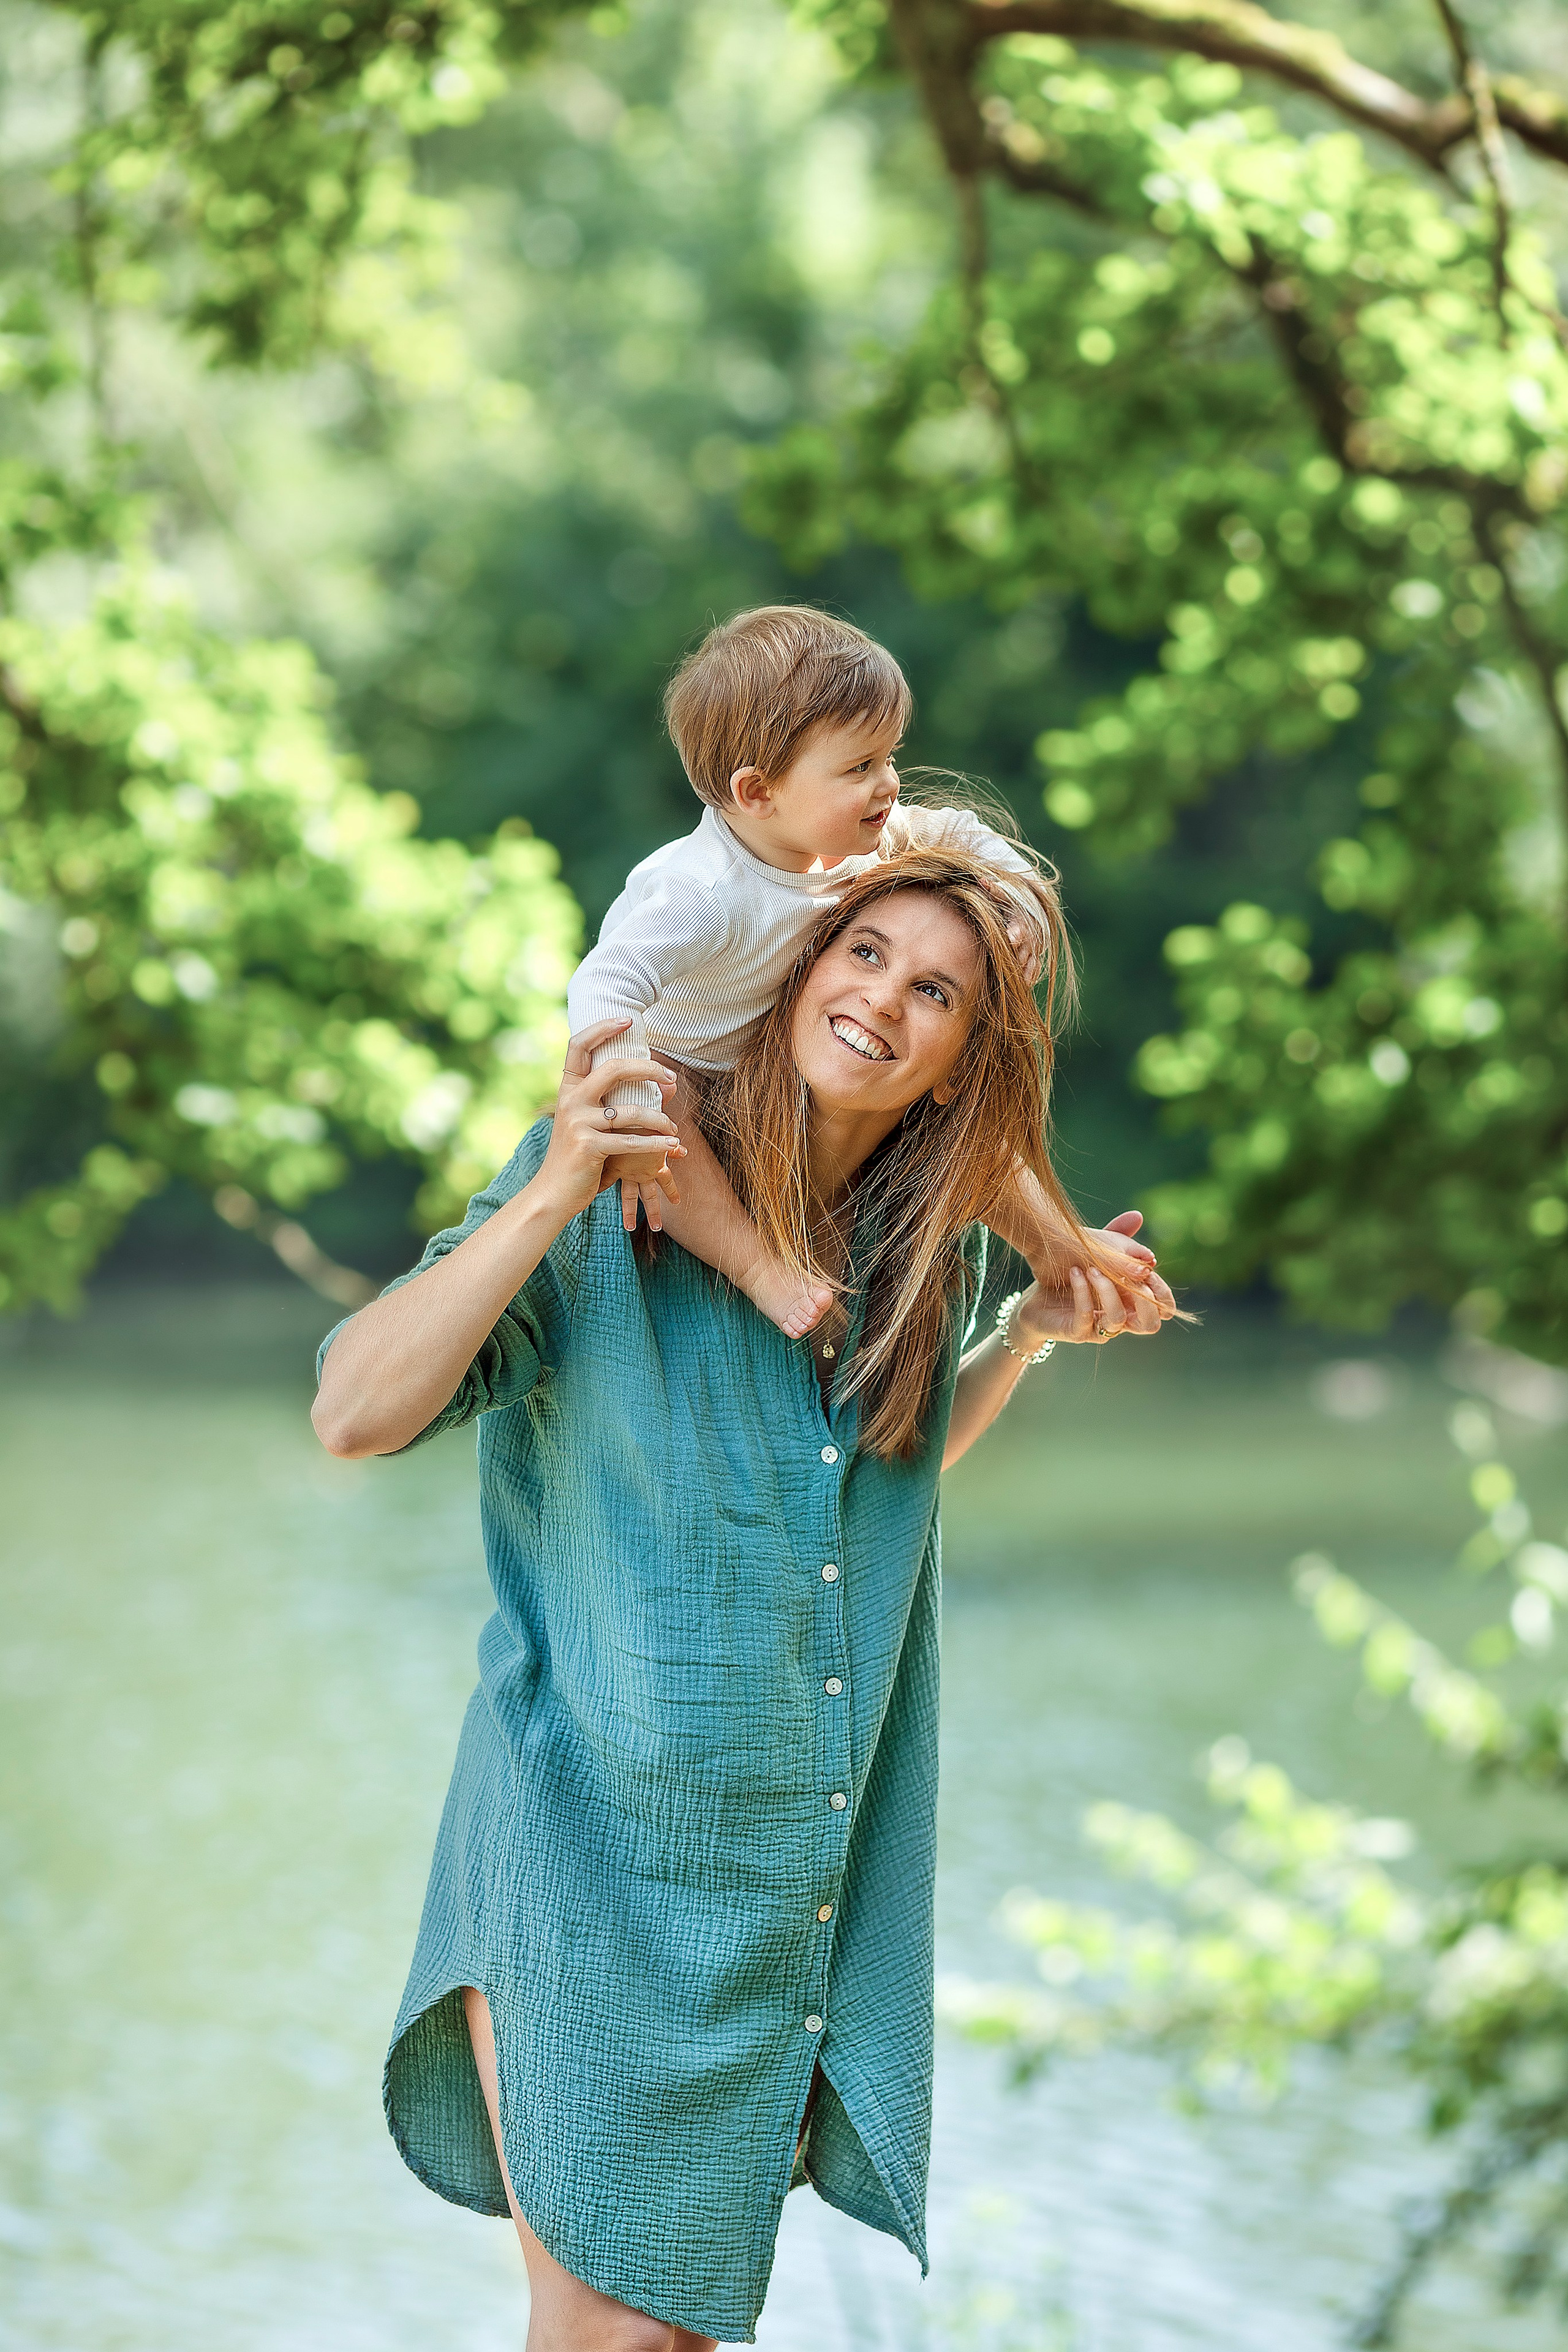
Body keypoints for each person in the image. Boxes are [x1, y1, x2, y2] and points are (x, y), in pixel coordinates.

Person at [313, 850, 1174, 2352]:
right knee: (608, 2331)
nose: (879, 1001)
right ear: (793, 956)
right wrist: (551, 1194)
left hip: (763, 1891)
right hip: (572, 1846)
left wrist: (1026, 1331)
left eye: (933, 993)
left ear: (961, 1061)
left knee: (673, 2340)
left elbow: (874, 1475)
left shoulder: (922, 1250)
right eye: (861, 950)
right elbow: (352, 1411)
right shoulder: (621, 1173)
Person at [567, 603, 1156, 1339]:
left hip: (779, 1069)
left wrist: (1019, 910)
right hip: (691, 1069)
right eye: (859, 768)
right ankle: (761, 1273)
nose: (888, 785)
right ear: (757, 794)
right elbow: (602, 983)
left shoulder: (859, 835)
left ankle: (1062, 1252)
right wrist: (631, 1107)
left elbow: (964, 835)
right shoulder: (698, 892)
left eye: (888, 757)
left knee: (932, 1098)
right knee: (668, 1103)